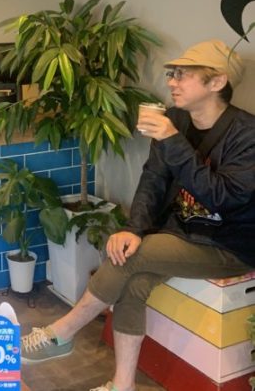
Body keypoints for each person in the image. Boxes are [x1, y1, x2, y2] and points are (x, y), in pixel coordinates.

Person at [20, 39, 255, 391]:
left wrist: (173, 141)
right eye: (172, 74)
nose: (172, 82)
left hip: (229, 244)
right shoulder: (175, 119)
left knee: (131, 257)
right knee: (133, 279)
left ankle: (62, 333)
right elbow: (153, 179)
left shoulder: (247, 135)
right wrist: (134, 228)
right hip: (181, 232)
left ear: (217, 81)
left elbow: (225, 198)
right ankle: (123, 386)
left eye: (183, 75)